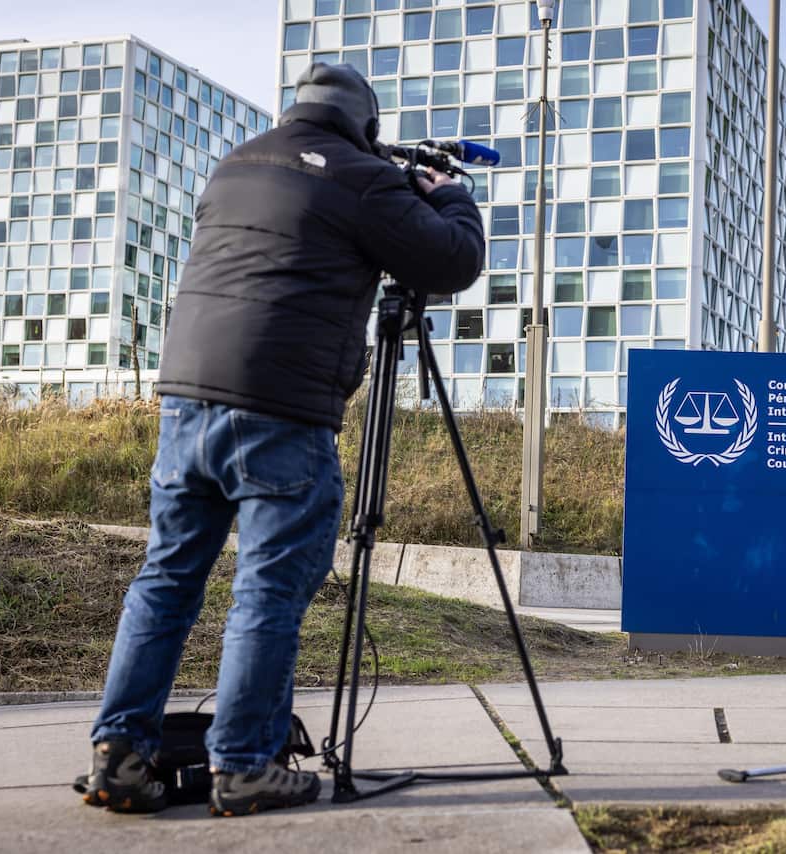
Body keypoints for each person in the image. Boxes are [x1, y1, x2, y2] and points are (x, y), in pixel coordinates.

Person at [81, 63, 484, 817]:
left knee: (165, 581)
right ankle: (244, 766)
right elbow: (452, 260)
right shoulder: (365, 180)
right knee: (266, 592)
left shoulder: (235, 165)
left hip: (185, 405)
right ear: (365, 125)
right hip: (281, 412)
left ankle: (120, 755)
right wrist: (448, 194)